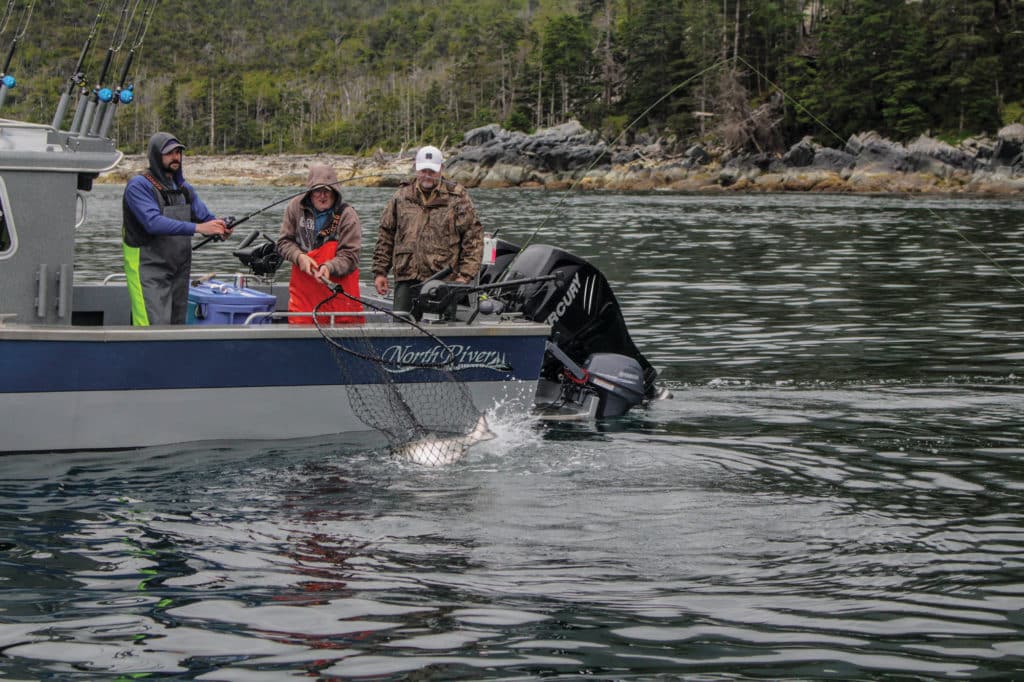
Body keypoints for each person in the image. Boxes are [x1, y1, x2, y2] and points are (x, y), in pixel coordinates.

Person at [122, 132, 231, 325]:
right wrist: (199, 228)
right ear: (155, 155)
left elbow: (204, 217)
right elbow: (153, 223)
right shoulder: (138, 186)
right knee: (151, 329)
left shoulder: (184, 188)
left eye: (178, 152)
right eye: (169, 153)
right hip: (147, 270)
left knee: (176, 327)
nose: (176, 157)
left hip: (179, 270)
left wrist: (219, 226)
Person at [372, 145, 483, 315]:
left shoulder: (458, 198)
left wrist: (465, 276)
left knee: (443, 331)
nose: (427, 175)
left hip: (443, 280)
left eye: (432, 171)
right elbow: (386, 234)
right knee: (401, 326)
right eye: (423, 170)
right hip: (406, 278)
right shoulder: (400, 196)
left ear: (441, 169)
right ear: (416, 167)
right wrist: (380, 272)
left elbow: (473, 238)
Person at [276, 163, 363, 325]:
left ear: (335, 192)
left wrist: (329, 267)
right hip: (304, 300)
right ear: (309, 192)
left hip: (340, 301)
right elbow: (283, 242)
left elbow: (351, 256)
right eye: (317, 191)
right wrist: (299, 257)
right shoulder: (295, 207)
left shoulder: (347, 215)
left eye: (327, 191)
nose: (322, 196)